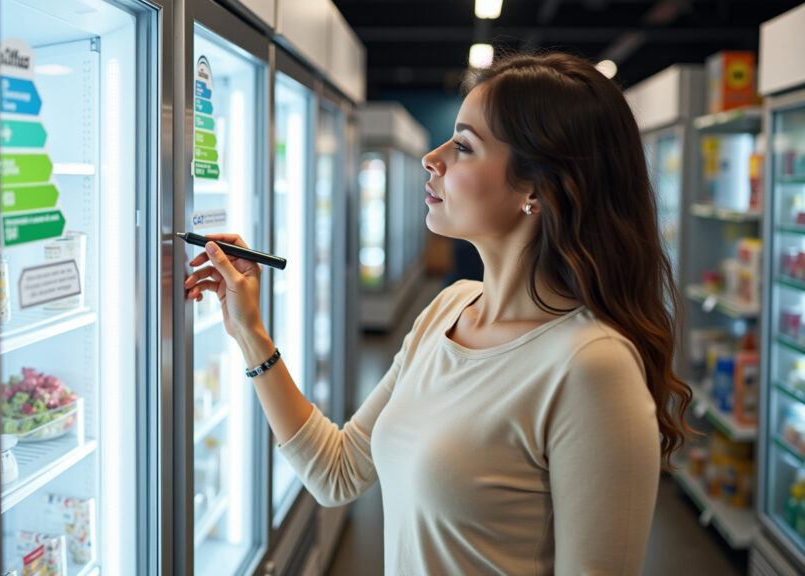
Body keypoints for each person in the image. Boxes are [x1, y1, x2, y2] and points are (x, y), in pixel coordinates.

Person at [182, 51, 691, 575]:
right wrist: (248, 330)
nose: (432, 156)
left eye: (464, 146)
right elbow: (336, 471)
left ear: (538, 189)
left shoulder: (592, 367)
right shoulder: (447, 309)